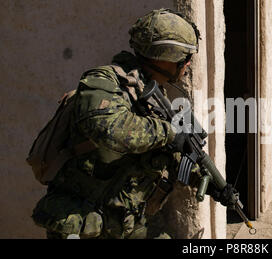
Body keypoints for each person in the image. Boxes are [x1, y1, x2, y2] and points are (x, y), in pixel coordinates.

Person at [31, 9, 232, 239]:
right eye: (184, 58)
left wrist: (208, 182)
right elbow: (109, 129)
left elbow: (168, 153)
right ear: (166, 55)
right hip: (84, 222)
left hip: (125, 222)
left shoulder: (154, 96)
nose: (187, 64)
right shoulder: (103, 81)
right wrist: (171, 131)